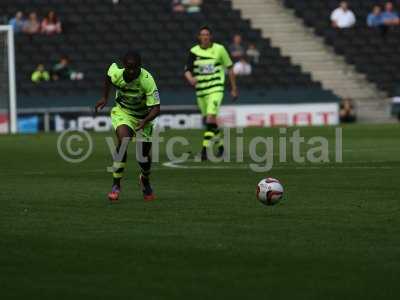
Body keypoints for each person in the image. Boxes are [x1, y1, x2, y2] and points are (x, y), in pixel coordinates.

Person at [95, 51, 160, 202]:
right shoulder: (117, 73)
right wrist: (105, 97)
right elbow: (108, 77)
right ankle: (116, 185)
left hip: (145, 117)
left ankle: (145, 179)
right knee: (123, 141)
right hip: (123, 112)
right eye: (128, 68)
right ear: (124, 66)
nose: (131, 72)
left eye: (134, 68)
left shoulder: (147, 80)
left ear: (140, 67)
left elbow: (156, 108)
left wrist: (145, 121)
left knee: (142, 156)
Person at [184, 26, 238, 161]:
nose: (205, 37)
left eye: (207, 34)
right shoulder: (194, 51)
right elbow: (187, 69)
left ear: (211, 36)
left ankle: (204, 151)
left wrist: (234, 88)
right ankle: (221, 148)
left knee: (209, 118)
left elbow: (230, 68)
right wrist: (190, 78)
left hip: (216, 88)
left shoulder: (219, 49)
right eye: (203, 34)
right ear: (199, 37)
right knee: (211, 121)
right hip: (201, 90)